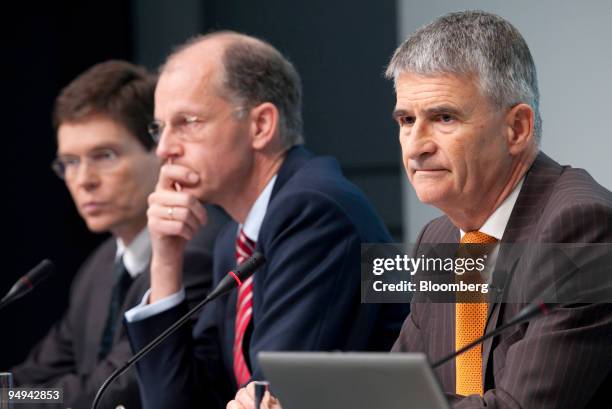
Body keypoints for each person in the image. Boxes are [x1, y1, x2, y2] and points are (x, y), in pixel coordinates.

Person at [228, 10, 612, 409]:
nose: (415, 146)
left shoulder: (580, 226)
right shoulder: (440, 237)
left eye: (444, 118)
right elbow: (401, 392)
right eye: (406, 120)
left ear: (516, 128)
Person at [123, 31, 409, 409]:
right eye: (160, 128)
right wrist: (165, 260)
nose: (164, 149)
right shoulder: (234, 239)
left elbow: (268, 398)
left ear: (260, 125)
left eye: (187, 122)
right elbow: (179, 401)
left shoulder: (314, 209)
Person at [10, 60, 228, 409]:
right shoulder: (97, 269)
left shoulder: (196, 252)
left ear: (160, 153)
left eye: (104, 156)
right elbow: (37, 373)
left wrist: (11, 400)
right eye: (69, 162)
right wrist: (9, 393)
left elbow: (110, 392)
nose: (83, 180)